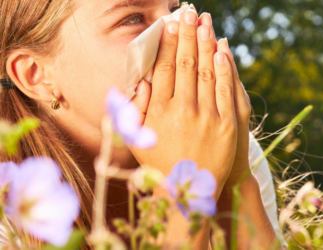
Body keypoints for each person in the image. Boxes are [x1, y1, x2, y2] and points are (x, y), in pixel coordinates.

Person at [0, 0, 286, 249]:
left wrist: (235, 181)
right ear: (36, 75)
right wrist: (181, 188)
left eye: (174, 9)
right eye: (132, 18)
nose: (175, 29)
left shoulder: (216, 143)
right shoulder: (7, 208)